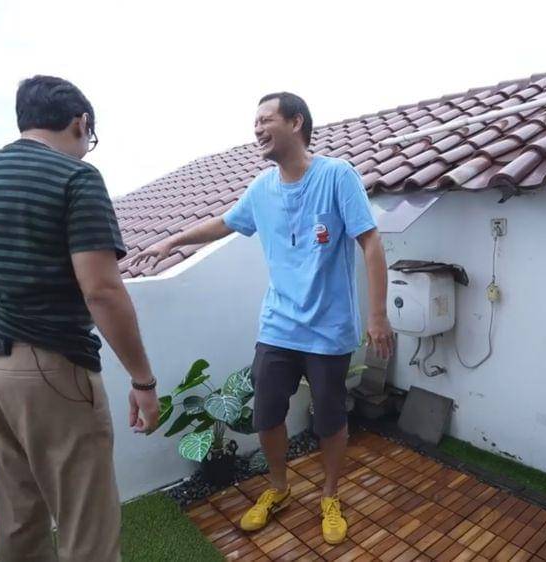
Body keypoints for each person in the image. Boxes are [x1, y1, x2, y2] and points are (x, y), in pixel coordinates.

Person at [0, 75, 160, 562]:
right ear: (80, 123)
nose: (86, 148)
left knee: (19, 503)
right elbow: (102, 291)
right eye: (89, 137)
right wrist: (143, 380)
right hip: (47, 365)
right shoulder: (75, 177)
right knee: (86, 519)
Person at [133, 91, 393, 545]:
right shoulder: (262, 188)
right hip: (278, 326)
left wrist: (377, 315)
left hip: (329, 330)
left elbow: (370, 242)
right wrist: (172, 241)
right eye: (254, 122)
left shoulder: (337, 176)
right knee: (267, 414)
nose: (256, 129)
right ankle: (278, 487)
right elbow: (225, 222)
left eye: (265, 119)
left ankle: (330, 495)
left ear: (296, 123)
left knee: (330, 419)